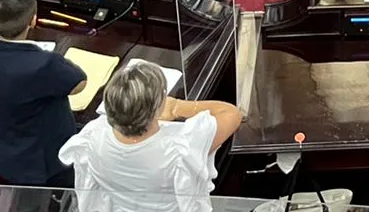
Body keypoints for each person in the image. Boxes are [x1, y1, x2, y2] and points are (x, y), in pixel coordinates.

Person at [58, 59, 243, 212]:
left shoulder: (92, 136)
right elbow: (232, 114)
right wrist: (177, 106)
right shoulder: (181, 147)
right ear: (158, 106)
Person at [0, 0, 87, 189]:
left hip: (2, 152)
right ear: (33, 20)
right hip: (43, 162)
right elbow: (79, 83)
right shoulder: (43, 64)